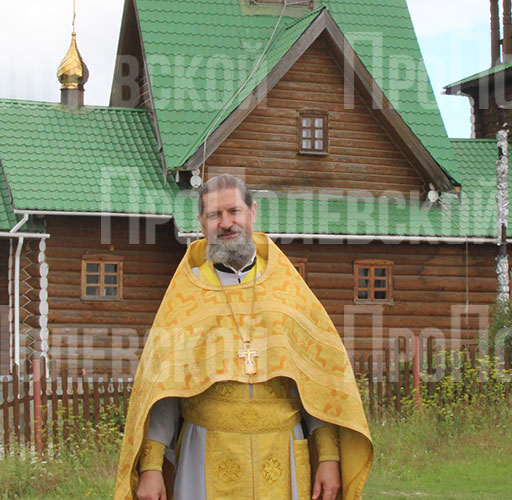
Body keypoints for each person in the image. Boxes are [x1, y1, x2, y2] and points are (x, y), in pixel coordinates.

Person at [114, 175, 372, 500]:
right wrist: (151, 467)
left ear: (252, 212)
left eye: (234, 211)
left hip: (283, 452)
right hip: (204, 455)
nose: (226, 223)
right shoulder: (186, 295)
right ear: (201, 222)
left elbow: (316, 380)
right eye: (214, 215)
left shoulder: (287, 290)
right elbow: (164, 389)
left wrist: (330, 457)